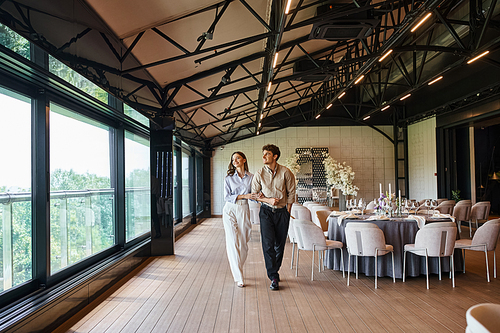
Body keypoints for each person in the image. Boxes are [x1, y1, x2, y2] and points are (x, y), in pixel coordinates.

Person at [252, 144, 296, 290]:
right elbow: (254, 195)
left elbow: (291, 194)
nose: (264, 156)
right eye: (263, 154)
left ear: (275, 156)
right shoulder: (259, 174)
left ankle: (274, 270)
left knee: (279, 245)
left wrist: (288, 212)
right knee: (268, 244)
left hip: (282, 213)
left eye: (267, 154)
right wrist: (268, 200)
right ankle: (273, 276)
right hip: (266, 212)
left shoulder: (286, 172)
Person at [223, 151, 257, 287]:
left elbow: (254, 195)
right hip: (230, 208)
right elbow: (227, 196)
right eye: (233, 159)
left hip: (243, 209)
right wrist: (244, 196)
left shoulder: (252, 177)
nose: (234, 161)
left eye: (237, 158)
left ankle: (238, 267)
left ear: (244, 159)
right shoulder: (228, 178)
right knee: (232, 241)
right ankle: (239, 277)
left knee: (244, 241)